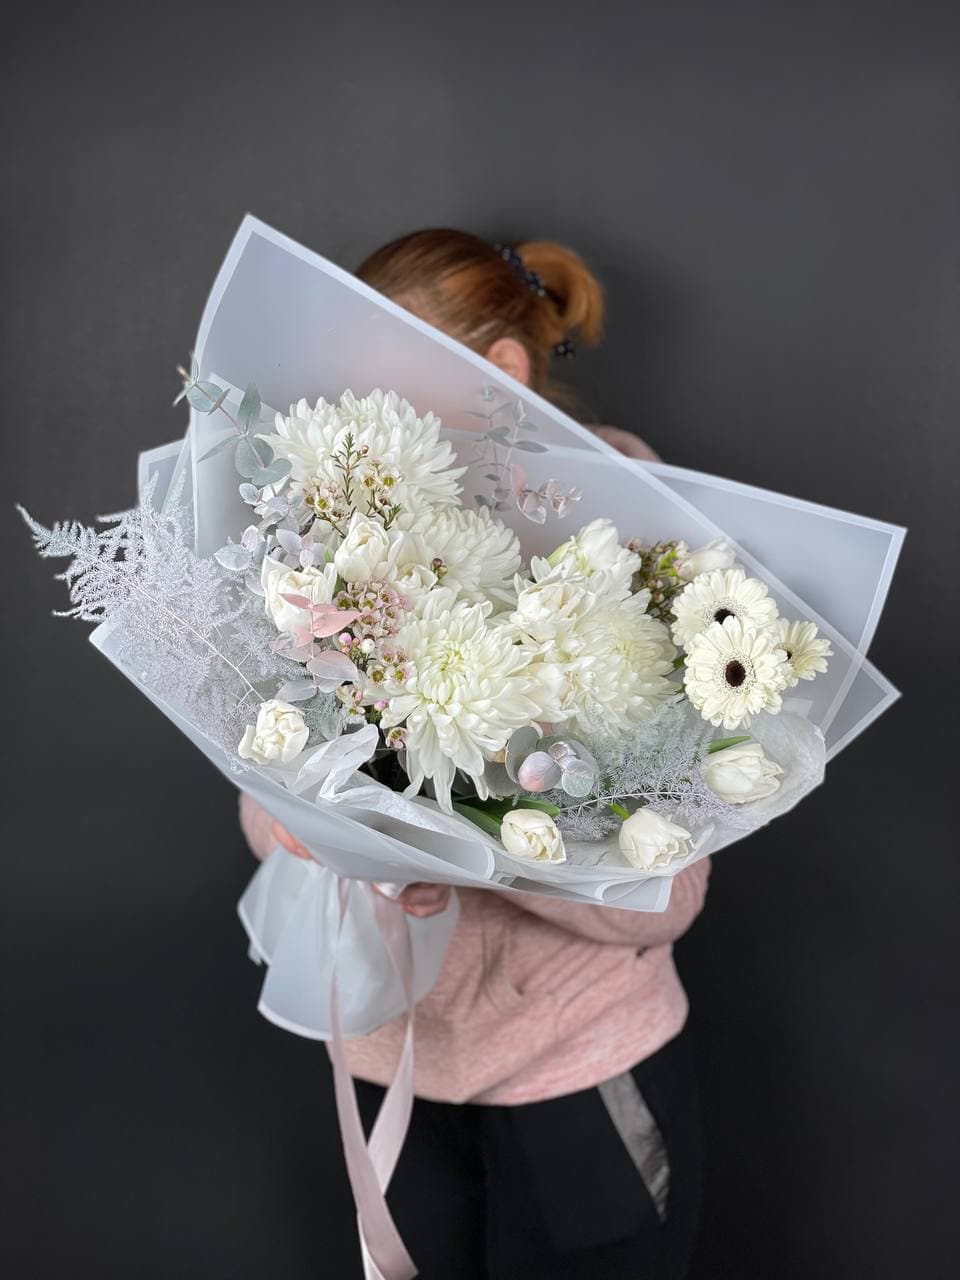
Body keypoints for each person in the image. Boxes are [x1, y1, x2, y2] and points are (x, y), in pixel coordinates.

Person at [240, 230, 710, 1279]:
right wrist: (315, 831)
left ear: (501, 369)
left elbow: (668, 894)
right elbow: (260, 787)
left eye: (385, 381)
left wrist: (468, 844)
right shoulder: (327, 531)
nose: (360, 416)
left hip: (579, 1078)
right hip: (391, 1065)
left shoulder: (641, 550)